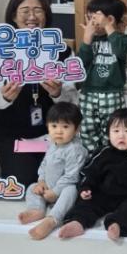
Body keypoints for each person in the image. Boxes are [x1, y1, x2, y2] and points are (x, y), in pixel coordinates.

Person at [0, 0, 78, 187]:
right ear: (13, 16)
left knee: (56, 184)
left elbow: (73, 101)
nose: (32, 17)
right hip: (13, 136)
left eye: (38, 10)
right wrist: (4, 97)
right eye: (25, 11)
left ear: (46, 15)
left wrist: (58, 93)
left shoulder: (62, 51)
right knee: (23, 183)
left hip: (54, 136)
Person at [58, 108, 127, 241]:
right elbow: (89, 172)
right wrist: (85, 188)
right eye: (116, 131)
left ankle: (117, 224)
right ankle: (78, 221)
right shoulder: (103, 153)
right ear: (109, 134)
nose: (121, 136)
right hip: (105, 193)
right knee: (87, 201)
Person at [18, 102, 88, 240]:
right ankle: (36, 209)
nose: (59, 131)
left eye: (65, 127)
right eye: (54, 126)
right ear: (48, 126)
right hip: (49, 187)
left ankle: (52, 219)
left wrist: (56, 192)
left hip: (64, 189)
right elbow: (44, 164)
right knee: (32, 187)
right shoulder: (53, 144)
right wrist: (41, 181)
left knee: (70, 191)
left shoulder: (75, 150)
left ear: (77, 129)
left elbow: (72, 176)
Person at [78, 0, 127, 154]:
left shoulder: (122, 39)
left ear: (110, 19)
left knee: (112, 130)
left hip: (112, 93)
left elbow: (121, 51)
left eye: (95, 19)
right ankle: (92, 159)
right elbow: (81, 64)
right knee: (87, 130)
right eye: (89, 18)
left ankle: (109, 158)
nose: (91, 23)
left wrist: (108, 27)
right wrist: (87, 39)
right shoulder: (89, 40)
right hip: (88, 92)